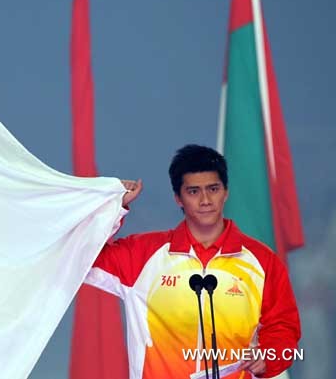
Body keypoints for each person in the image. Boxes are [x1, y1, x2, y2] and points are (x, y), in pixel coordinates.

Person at [85, 144, 301, 379]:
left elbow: (284, 328)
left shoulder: (262, 261)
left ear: (226, 192)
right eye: (194, 191)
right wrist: (114, 208)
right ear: (178, 198)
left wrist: (268, 357)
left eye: (213, 188)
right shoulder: (141, 255)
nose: (206, 200)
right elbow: (82, 260)